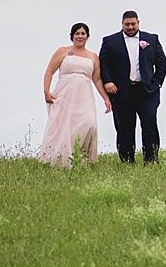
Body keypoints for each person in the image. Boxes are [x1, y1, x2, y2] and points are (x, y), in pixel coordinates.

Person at [98, 10, 166, 164]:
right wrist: (108, 81)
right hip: (121, 91)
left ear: (138, 23)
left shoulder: (151, 39)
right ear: (122, 24)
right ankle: (127, 160)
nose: (130, 27)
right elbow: (103, 64)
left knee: (150, 125)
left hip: (147, 92)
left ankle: (151, 160)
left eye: (133, 24)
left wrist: (157, 83)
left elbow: (161, 63)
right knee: (124, 127)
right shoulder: (110, 41)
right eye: (127, 24)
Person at [38, 23, 112, 167]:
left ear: (87, 36)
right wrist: (47, 91)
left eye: (83, 33)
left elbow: (96, 79)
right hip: (65, 93)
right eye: (77, 33)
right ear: (72, 36)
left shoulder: (93, 57)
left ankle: (82, 157)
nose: (80, 36)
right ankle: (62, 158)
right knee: (65, 126)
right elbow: (49, 72)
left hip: (84, 95)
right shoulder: (63, 51)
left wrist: (106, 98)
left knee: (89, 124)